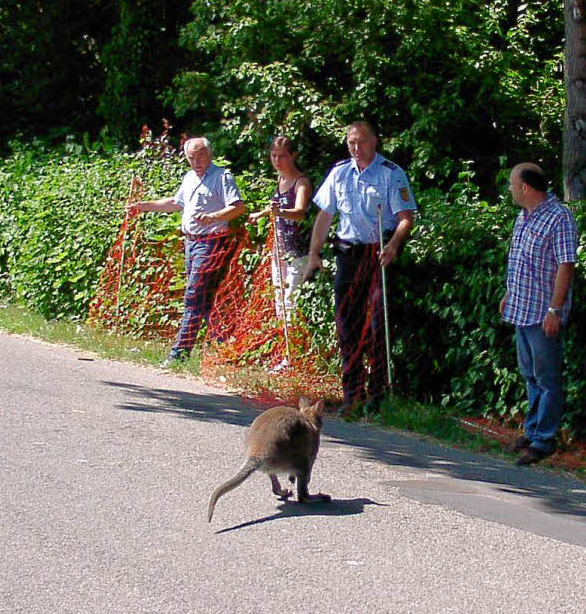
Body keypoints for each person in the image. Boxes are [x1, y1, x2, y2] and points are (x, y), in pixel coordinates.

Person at [307, 121, 417, 413]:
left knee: (376, 324)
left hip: (378, 252)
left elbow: (406, 217)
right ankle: (351, 393)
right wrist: (314, 253)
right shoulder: (340, 172)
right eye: (351, 143)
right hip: (347, 253)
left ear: (375, 142)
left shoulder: (391, 174)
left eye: (361, 142)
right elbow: (325, 215)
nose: (356, 148)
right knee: (347, 323)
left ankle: (378, 392)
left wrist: (394, 244)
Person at [128, 136, 245, 367]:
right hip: (190, 242)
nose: (196, 161)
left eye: (200, 155)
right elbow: (175, 202)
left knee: (193, 295)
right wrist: (143, 207)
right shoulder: (190, 177)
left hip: (211, 242)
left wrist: (213, 217)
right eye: (191, 157)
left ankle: (179, 353)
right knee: (205, 298)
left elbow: (238, 207)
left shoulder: (222, 177)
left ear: (209, 154)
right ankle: (225, 348)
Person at [499, 162, 579, 465]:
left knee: (547, 379)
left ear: (525, 188)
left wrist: (554, 310)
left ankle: (544, 439)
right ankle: (532, 431)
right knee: (530, 376)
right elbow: (520, 261)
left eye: (511, 183)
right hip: (522, 309)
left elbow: (565, 265)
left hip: (542, 313)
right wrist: (510, 293)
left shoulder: (559, 218)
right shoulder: (524, 217)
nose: (509, 189)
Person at [248, 136, 312, 319]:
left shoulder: (301, 182)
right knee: (279, 297)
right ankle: (284, 344)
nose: (277, 161)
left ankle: (296, 342)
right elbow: (275, 207)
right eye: (274, 156)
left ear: (293, 155)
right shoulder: (281, 180)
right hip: (279, 250)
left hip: (298, 251)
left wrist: (280, 212)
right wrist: (260, 214)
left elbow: (299, 212)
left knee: (292, 299)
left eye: (282, 156)